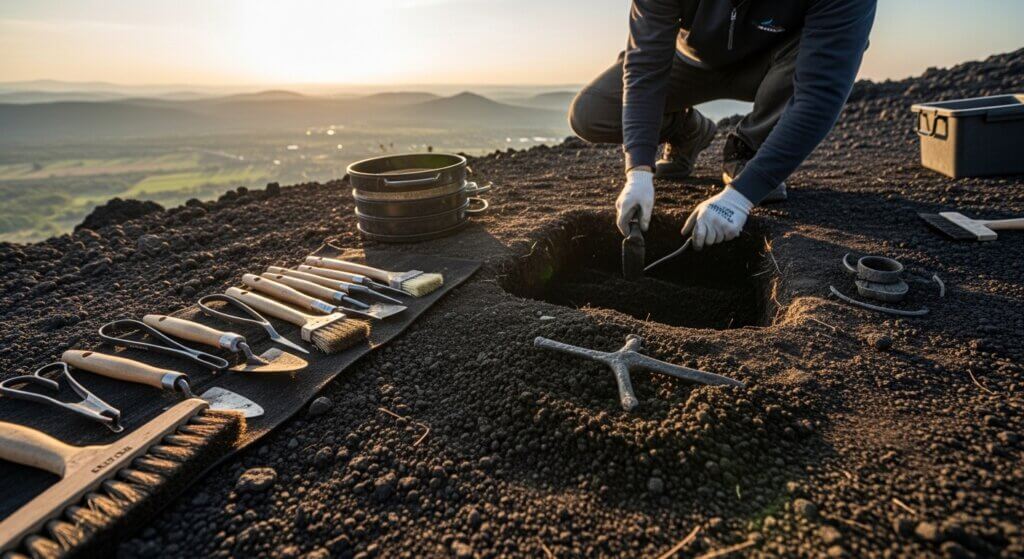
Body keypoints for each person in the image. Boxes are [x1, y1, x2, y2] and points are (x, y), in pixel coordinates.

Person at [569, 0, 877, 250]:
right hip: (689, 61)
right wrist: (638, 170)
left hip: (775, 64)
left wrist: (740, 198)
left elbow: (819, 95)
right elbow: (645, 69)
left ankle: (748, 150)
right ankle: (687, 130)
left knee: (808, 76)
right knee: (591, 112)